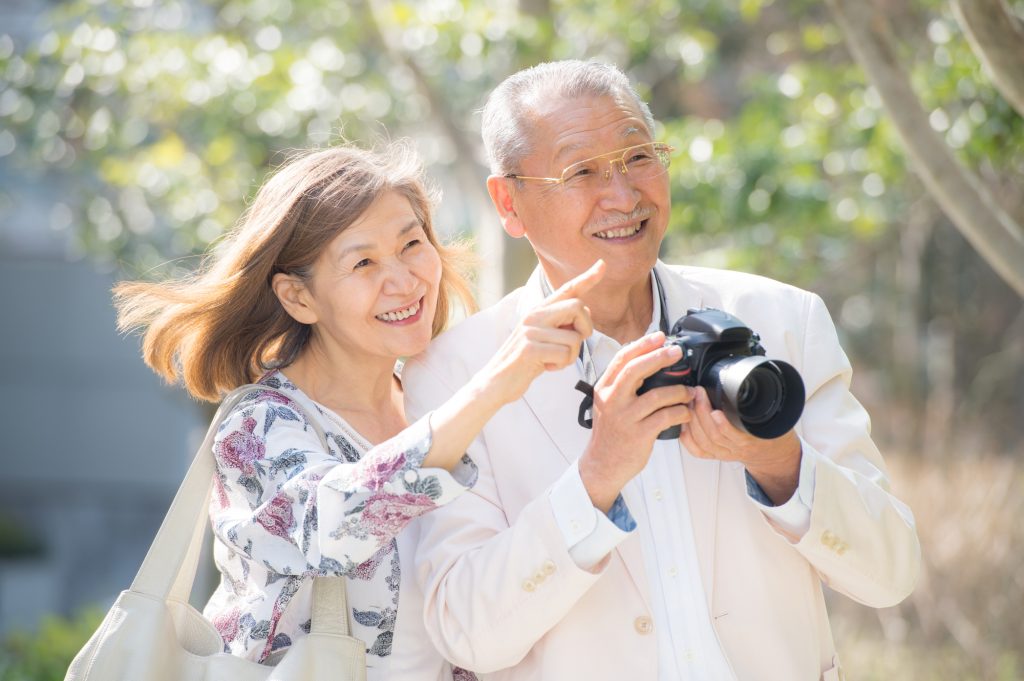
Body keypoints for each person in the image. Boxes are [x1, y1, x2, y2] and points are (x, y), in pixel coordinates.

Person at [401, 60, 921, 681]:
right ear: (509, 203)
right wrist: (596, 478)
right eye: (581, 171)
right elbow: (470, 636)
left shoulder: (782, 318)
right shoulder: (454, 374)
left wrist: (782, 464)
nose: (623, 196)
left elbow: (891, 574)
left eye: (638, 158)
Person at [112, 141, 604, 680]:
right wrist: (493, 384)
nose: (404, 280)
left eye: (412, 244)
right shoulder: (259, 427)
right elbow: (332, 526)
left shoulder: (433, 399)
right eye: (363, 262)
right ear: (299, 298)